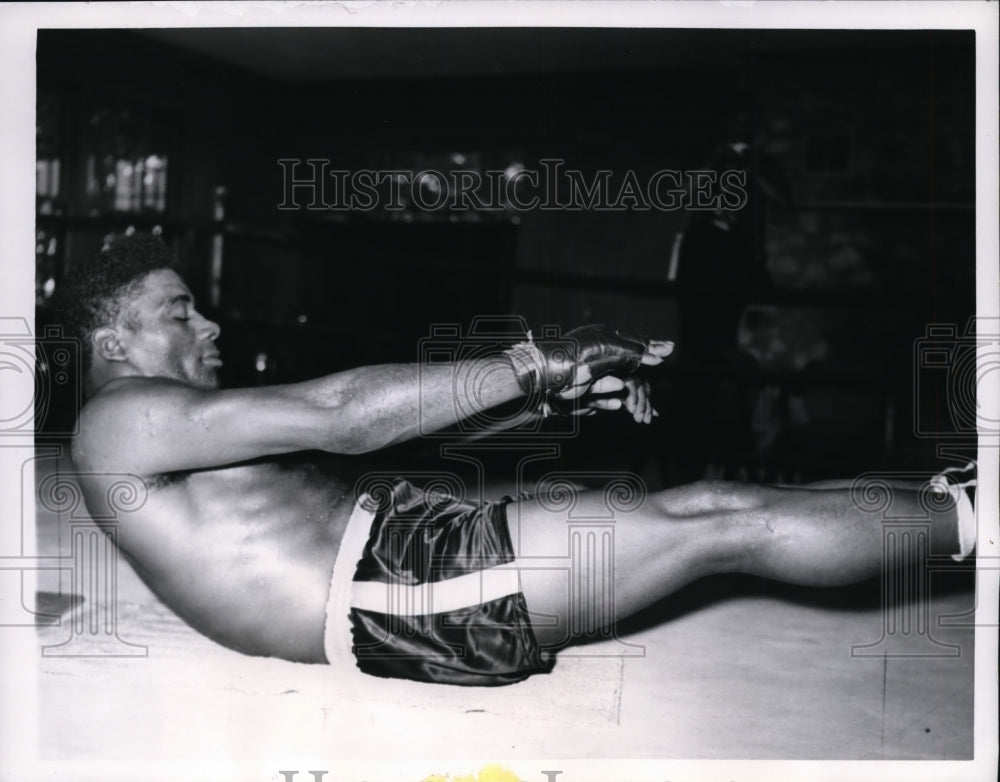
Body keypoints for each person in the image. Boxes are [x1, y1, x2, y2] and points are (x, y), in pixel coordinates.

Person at [58, 233, 977, 686]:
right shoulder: (117, 425)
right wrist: (530, 361)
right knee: (715, 519)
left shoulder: (175, 422)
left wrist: (546, 390)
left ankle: (959, 502)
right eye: (179, 312)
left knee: (707, 507)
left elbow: (365, 449)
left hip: (404, 551)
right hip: (388, 598)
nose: (207, 322)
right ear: (112, 339)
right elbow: (338, 415)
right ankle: (973, 514)